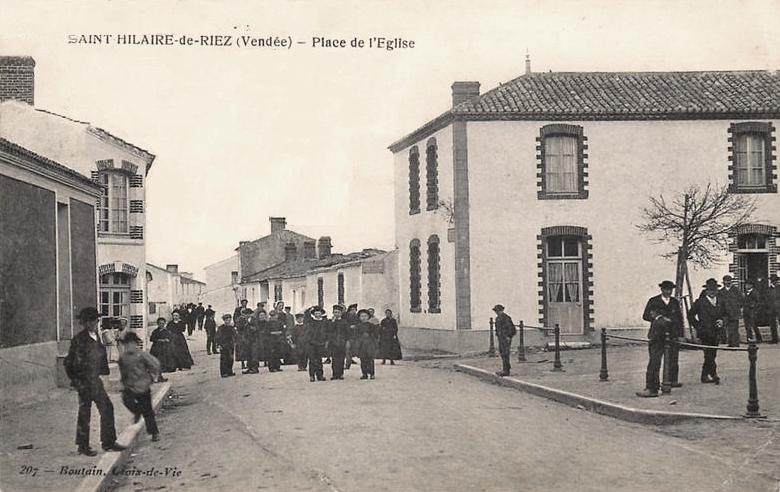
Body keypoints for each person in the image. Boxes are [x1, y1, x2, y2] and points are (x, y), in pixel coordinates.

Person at [64, 307, 125, 456]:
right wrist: (76, 382)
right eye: (90, 320)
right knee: (85, 413)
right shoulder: (79, 339)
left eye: (95, 320)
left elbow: (100, 357)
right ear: (84, 322)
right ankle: (83, 446)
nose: (93, 323)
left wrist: (103, 372)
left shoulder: (97, 336)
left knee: (107, 408)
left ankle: (108, 442)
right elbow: (69, 363)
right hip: (84, 382)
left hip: (95, 381)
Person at [636, 281, 684, 398]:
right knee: (654, 361)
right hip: (657, 336)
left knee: (672, 361)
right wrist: (658, 317)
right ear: (662, 290)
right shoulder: (654, 301)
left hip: (671, 336)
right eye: (666, 289)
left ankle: (669, 383)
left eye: (670, 289)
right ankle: (651, 388)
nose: (668, 291)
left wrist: (679, 334)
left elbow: (679, 318)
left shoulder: (674, 302)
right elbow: (646, 315)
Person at [117, 332, 161, 442]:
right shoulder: (123, 357)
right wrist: (123, 382)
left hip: (143, 385)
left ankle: (154, 432)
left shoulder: (141, 354)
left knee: (148, 411)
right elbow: (123, 371)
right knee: (126, 400)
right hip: (130, 386)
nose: (129, 346)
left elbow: (155, 364)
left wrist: (153, 377)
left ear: (135, 344)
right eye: (127, 344)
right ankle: (137, 411)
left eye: (131, 343)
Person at [688, 278, 728, 384]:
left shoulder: (720, 301)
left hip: (716, 332)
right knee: (709, 353)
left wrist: (722, 321)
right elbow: (690, 315)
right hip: (704, 332)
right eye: (710, 290)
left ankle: (704, 375)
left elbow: (725, 314)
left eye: (714, 289)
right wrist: (698, 326)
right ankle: (714, 374)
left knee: (712, 353)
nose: (712, 292)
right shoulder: (700, 302)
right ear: (706, 290)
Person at [303, 306, 328, 382]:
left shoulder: (324, 322)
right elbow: (306, 314)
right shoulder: (310, 321)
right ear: (313, 314)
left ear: (321, 314)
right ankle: (312, 375)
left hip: (320, 343)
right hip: (311, 343)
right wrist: (310, 308)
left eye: (319, 313)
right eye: (316, 313)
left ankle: (320, 375)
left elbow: (327, 332)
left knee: (319, 360)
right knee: (312, 360)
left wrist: (326, 341)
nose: (317, 314)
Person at [718, 275, 744, 347]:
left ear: (731, 282)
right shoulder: (721, 291)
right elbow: (719, 302)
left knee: (734, 328)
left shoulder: (736, 290)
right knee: (728, 328)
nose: (727, 282)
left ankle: (735, 343)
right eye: (726, 281)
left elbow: (741, 300)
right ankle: (730, 343)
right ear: (723, 282)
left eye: (729, 281)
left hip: (734, 312)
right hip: (725, 313)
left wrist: (738, 308)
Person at [355, 309, 379, 379]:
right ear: (359, 317)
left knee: (370, 359)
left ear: (368, 317)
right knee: (363, 360)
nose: (363, 318)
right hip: (361, 345)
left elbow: (375, 335)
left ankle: (372, 373)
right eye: (362, 316)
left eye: (365, 316)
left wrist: (371, 338)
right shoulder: (358, 326)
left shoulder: (372, 326)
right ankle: (364, 373)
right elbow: (356, 335)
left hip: (370, 344)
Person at [492, 305, 516, 377]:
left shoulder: (506, 318)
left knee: (505, 353)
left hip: (506, 338)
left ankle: (506, 370)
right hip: (501, 338)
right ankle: (505, 368)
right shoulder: (497, 319)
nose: (497, 312)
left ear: (501, 310)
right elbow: (497, 328)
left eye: (498, 311)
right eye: (496, 311)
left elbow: (512, 328)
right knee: (502, 353)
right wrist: (497, 334)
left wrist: (509, 336)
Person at [328, 305, 349, 380]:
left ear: (341, 313)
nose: (336, 314)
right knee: (334, 359)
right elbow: (329, 331)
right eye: (335, 312)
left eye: (338, 312)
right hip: (334, 343)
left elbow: (347, 332)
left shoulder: (344, 322)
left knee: (341, 359)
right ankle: (334, 374)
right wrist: (332, 322)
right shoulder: (331, 322)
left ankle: (340, 374)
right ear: (333, 313)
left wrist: (347, 341)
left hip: (342, 342)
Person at [244, 310, 264, 374]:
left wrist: (250, 327)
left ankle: (255, 368)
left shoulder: (254, 320)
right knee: (248, 354)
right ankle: (249, 368)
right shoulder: (244, 321)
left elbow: (257, 328)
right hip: (247, 340)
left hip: (254, 340)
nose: (246, 315)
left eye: (247, 314)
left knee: (254, 354)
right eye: (245, 314)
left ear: (250, 314)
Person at [345, 304, 359, 369]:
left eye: (354, 310)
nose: (353, 311)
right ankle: (348, 364)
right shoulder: (346, 317)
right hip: (348, 336)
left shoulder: (358, 317)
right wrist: (349, 327)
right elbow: (344, 325)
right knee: (348, 349)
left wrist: (356, 327)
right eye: (352, 310)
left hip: (356, 336)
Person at [768, 274, 780, 344]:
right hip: (771, 309)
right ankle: (774, 339)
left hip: (779, 308)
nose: (775, 282)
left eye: (776, 281)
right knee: (772, 324)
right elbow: (767, 299)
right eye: (773, 281)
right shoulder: (768, 289)